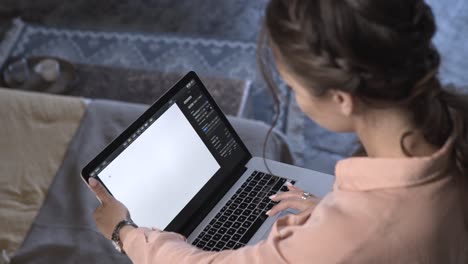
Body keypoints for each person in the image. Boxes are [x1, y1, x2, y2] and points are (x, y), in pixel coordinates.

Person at [89, 0, 468, 262]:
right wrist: (328, 209)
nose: (296, 100)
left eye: (295, 89)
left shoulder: (347, 239)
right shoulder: (453, 121)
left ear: (341, 98)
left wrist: (123, 230)